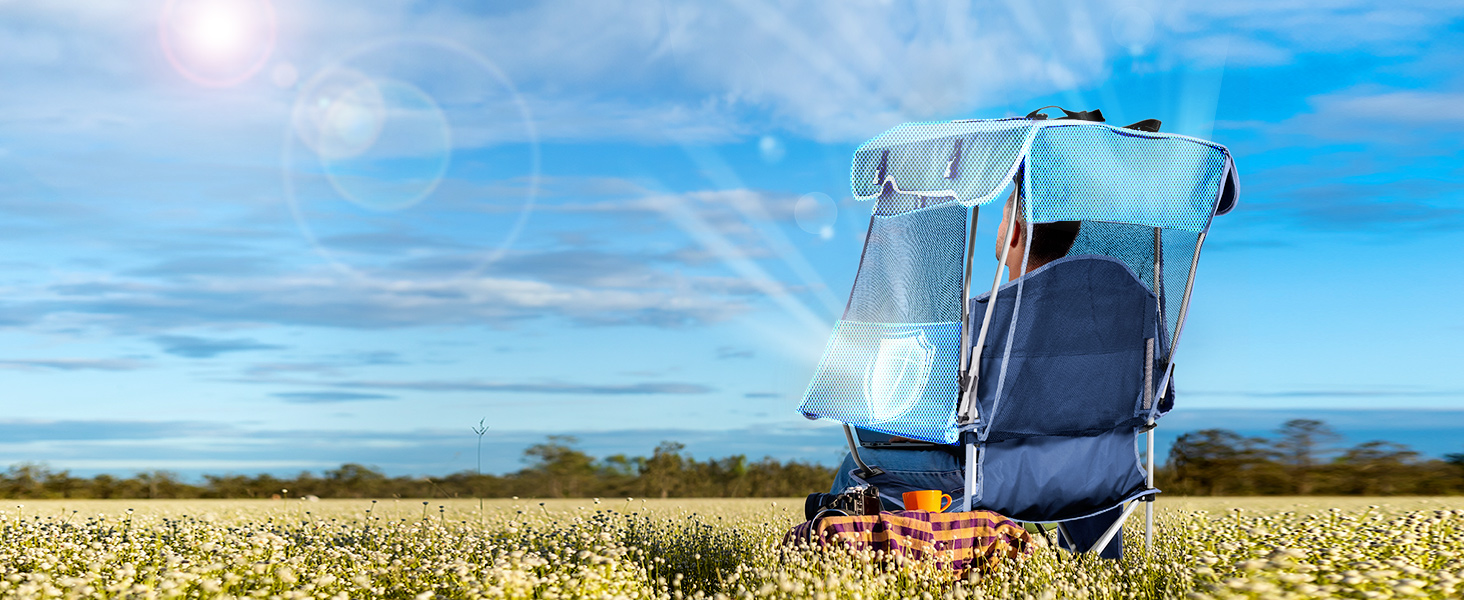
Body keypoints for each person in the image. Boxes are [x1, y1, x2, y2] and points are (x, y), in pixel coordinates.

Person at [827, 180, 1128, 559]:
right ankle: (1104, 563)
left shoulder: (990, 319)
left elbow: (950, 416)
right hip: (1102, 472)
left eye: (1003, 219)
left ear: (1015, 232)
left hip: (998, 473)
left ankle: (864, 556)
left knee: (859, 465)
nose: (1000, 229)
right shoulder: (1114, 317)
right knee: (1086, 448)